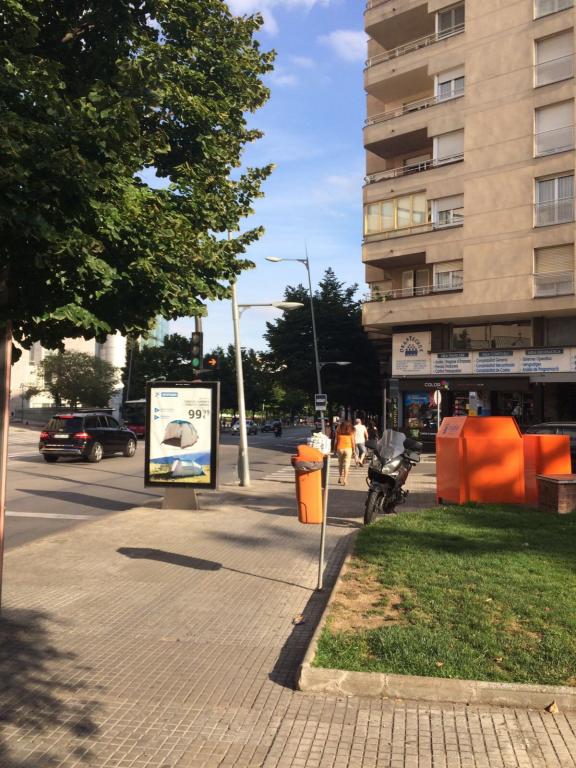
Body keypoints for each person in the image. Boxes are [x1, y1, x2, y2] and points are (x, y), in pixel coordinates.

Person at [335, 420, 355, 486]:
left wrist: (334, 449)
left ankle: (340, 476)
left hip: (340, 448)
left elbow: (336, 441)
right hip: (348, 448)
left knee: (340, 463)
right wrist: (354, 450)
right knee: (347, 464)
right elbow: (353, 442)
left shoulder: (338, 431)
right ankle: (345, 479)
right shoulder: (351, 432)